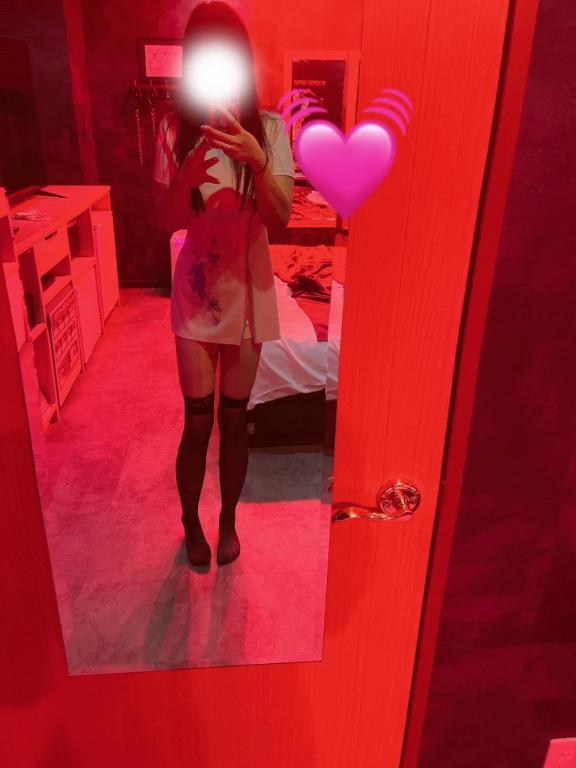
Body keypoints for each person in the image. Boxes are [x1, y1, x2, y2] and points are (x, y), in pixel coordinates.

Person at [152, 1, 295, 567]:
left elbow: (281, 219)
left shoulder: (271, 129)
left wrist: (258, 161)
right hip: (197, 287)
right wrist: (183, 178)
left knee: (235, 419)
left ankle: (228, 518)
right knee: (198, 420)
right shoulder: (172, 128)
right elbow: (164, 221)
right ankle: (190, 521)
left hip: (249, 286)